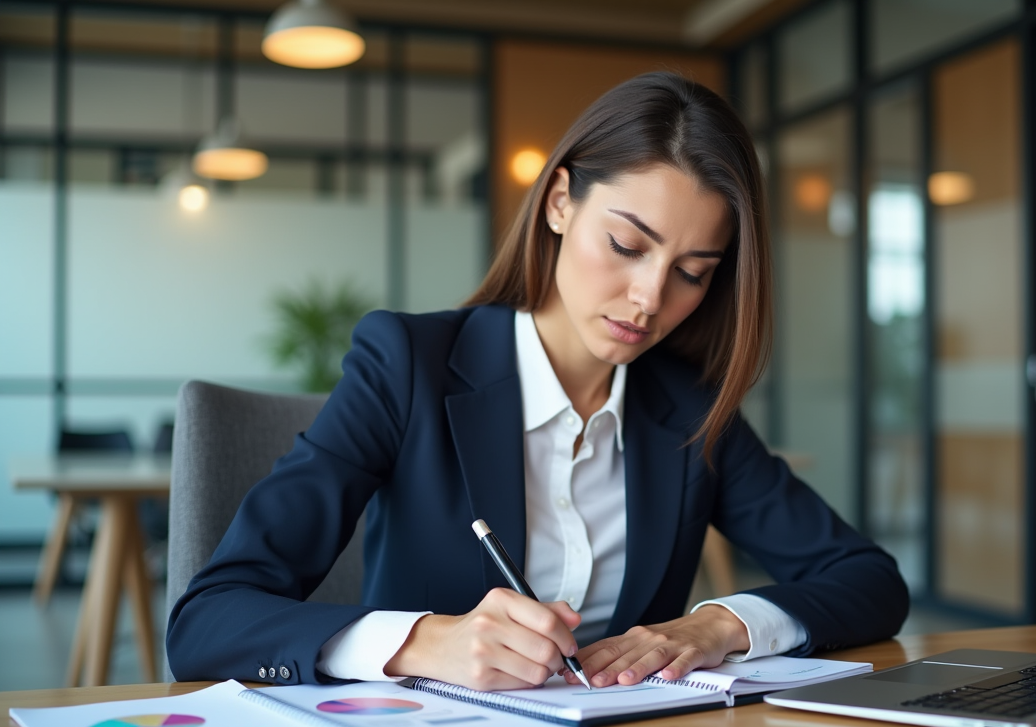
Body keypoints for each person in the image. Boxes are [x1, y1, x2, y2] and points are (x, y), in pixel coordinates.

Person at [167, 72, 908, 692]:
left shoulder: (687, 408)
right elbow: (208, 620)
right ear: (559, 202)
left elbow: (868, 580)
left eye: (692, 273)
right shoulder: (407, 366)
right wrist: (424, 644)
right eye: (625, 244)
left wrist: (717, 625)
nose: (651, 298)